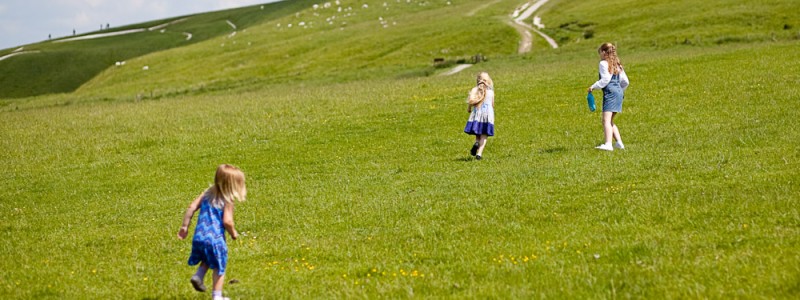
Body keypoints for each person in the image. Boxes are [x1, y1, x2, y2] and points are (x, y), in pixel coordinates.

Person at [178, 164, 246, 300]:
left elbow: (191, 207)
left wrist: (185, 226)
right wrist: (233, 233)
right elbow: (227, 221)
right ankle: (217, 296)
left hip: (199, 236)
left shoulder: (207, 193)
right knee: (220, 266)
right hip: (215, 238)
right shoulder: (228, 200)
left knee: (208, 257)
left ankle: (198, 276)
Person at [587, 42, 629, 151]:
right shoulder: (617, 64)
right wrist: (620, 91)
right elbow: (625, 82)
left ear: (605, 52)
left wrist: (593, 87)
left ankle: (608, 144)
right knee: (610, 120)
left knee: (605, 120)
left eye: (600, 52)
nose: (600, 55)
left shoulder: (603, 63)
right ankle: (619, 143)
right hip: (619, 92)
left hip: (610, 93)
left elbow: (605, 79)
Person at [464, 72, 495, 160]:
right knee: (484, 135)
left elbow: (470, 101)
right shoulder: (490, 92)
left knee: (478, 134)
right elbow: (492, 104)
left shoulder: (475, 90)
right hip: (487, 116)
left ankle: (476, 143)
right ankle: (479, 154)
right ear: (488, 81)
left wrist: (469, 108)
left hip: (477, 116)